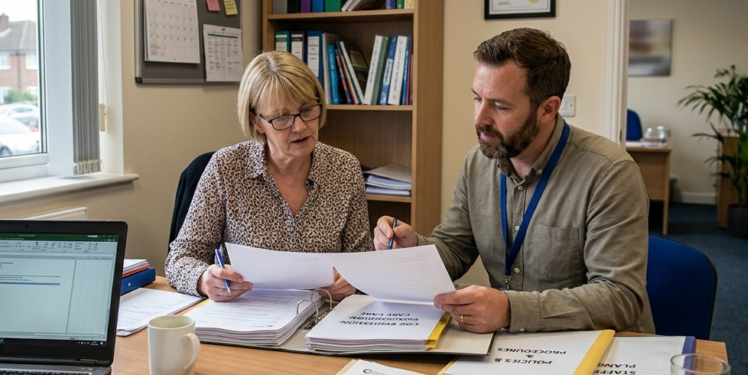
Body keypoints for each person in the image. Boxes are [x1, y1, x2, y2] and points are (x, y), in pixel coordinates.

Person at [374, 28, 654, 334]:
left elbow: (620, 296)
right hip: (508, 344)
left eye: (499, 106)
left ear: (548, 109)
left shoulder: (609, 172)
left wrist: (510, 310)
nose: (480, 118)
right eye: (477, 99)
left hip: (597, 346)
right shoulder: (477, 163)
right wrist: (414, 249)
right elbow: (455, 248)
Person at [166, 51, 372, 301]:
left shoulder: (344, 169)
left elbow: (363, 261)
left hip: (323, 312)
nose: (300, 127)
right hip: (249, 314)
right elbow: (180, 258)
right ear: (257, 121)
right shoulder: (226, 168)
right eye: (282, 117)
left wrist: (353, 280)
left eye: (307, 110)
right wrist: (203, 279)